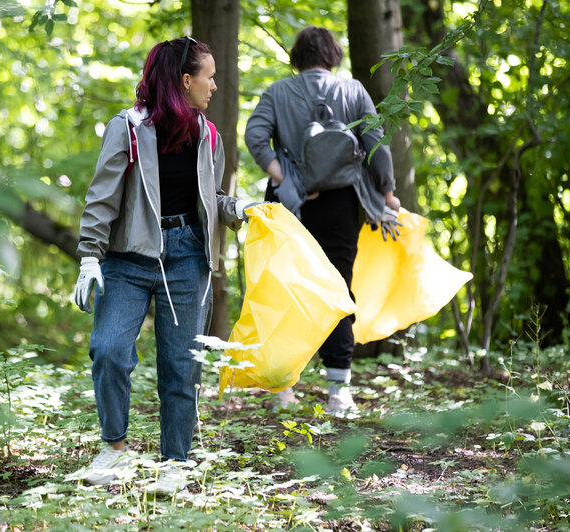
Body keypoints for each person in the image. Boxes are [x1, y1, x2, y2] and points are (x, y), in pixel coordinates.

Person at [73, 37, 254, 493]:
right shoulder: (128, 127)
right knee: (109, 350)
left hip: (187, 255)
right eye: (208, 77)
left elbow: (209, 200)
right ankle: (114, 451)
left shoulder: (208, 134)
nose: (214, 86)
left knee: (180, 364)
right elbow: (102, 195)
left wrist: (238, 210)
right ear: (184, 80)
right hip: (128, 259)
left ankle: (176, 461)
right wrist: (90, 256)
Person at [244, 26, 400, 416]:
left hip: (290, 205)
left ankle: (283, 388)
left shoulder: (278, 93)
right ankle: (338, 392)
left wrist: (286, 179)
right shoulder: (353, 91)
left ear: (297, 57)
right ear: (333, 54)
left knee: (286, 289)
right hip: (341, 203)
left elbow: (255, 136)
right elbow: (374, 143)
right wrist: (387, 192)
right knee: (339, 289)